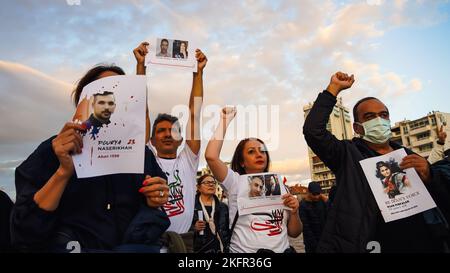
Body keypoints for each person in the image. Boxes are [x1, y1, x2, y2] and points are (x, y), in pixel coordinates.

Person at [10, 43, 170, 253]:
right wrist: (63, 172)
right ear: (84, 103)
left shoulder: (142, 153)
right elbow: (24, 231)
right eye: (102, 93)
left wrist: (156, 197)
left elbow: (156, 205)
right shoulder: (52, 151)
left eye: (120, 92)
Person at [303, 71, 449, 252]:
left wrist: (429, 174)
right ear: (357, 127)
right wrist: (333, 89)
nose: (379, 120)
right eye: (370, 117)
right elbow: (313, 131)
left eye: (383, 115)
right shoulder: (346, 154)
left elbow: (439, 193)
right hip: (374, 243)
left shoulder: (406, 154)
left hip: (424, 241)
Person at [205, 107, 302, 253]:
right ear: (242, 162)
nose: (259, 154)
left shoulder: (281, 186)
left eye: (262, 150)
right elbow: (211, 156)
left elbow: (294, 232)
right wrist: (224, 121)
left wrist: (294, 212)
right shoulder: (235, 182)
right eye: (251, 151)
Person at [148, 48, 207, 252]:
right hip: (150, 243)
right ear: (151, 140)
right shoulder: (147, 158)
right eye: (161, 131)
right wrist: (140, 67)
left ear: (181, 138)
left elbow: (195, 113)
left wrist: (197, 72)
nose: (166, 134)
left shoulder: (188, 161)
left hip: (183, 244)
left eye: (172, 131)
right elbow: (139, 110)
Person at [191, 174, 230, 253]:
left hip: (221, 249)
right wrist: (193, 228)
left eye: (213, 182)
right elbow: (182, 229)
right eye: (207, 182)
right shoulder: (191, 207)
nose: (211, 184)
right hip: (199, 249)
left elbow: (228, 230)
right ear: (198, 187)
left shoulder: (223, 207)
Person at [298, 182, 328, 253]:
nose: (316, 196)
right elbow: (306, 227)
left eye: (318, 194)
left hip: (325, 241)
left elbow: (332, 216)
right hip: (311, 244)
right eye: (314, 194)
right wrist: (316, 245)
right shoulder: (303, 205)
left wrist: (327, 201)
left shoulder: (322, 201)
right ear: (308, 192)